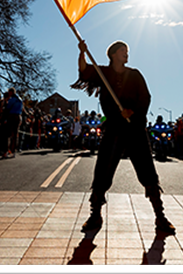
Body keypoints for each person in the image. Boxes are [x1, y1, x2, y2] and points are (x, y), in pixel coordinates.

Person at [72, 40, 175, 235]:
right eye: (122, 51)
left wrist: (133, 112)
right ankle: (95, 214)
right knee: (103, 170)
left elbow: (145, 97)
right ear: (112, 54)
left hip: (135, 128)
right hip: (114, 128)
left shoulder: (135, 75)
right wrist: (82, 53)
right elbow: (85, 72)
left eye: (127, 51)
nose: (126, 54)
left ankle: (160, 217)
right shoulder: (104, 73)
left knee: (147, 170)